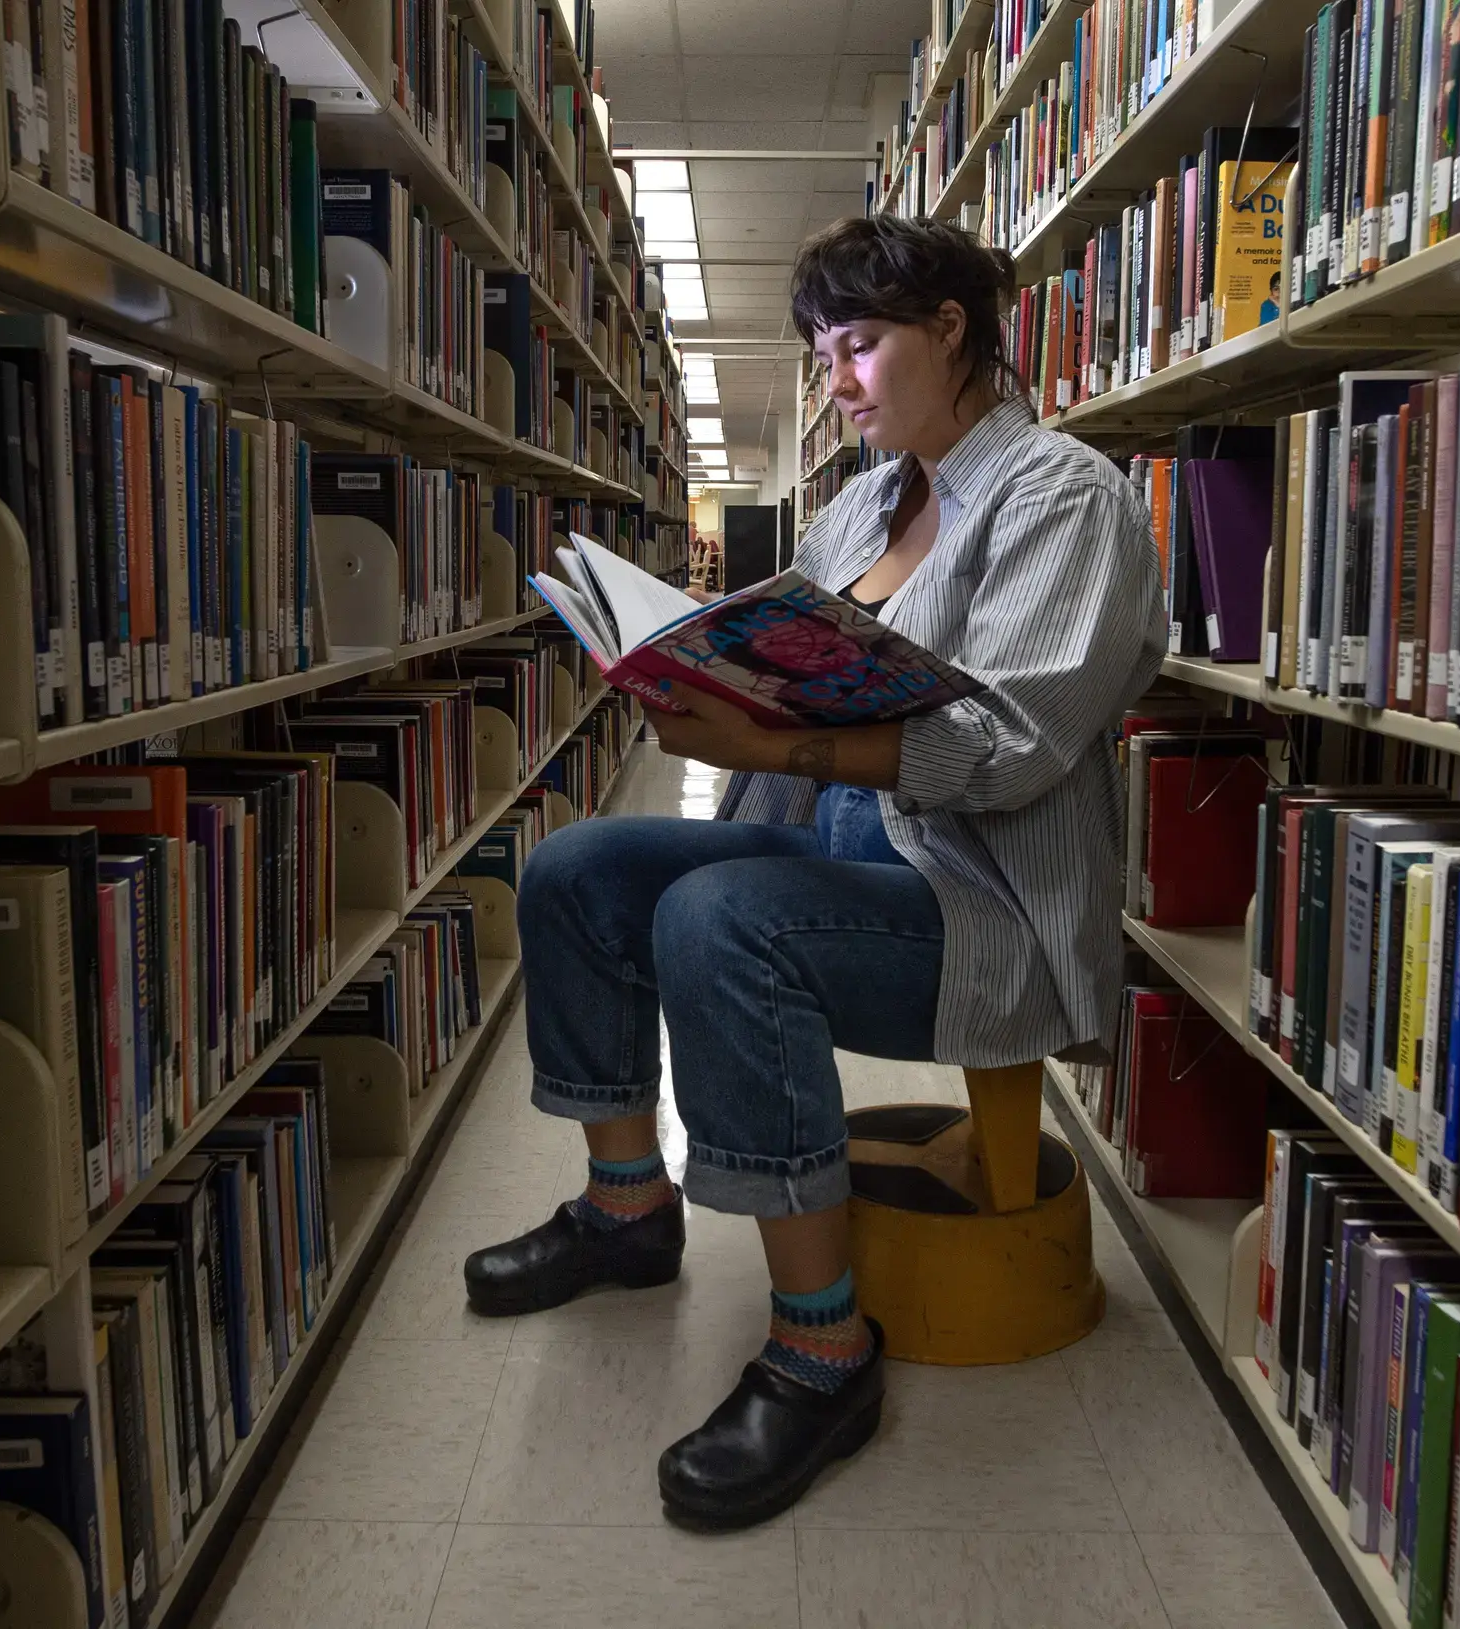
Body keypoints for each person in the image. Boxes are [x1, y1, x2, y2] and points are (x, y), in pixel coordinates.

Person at [460, 214, 1167, 1530]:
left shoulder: (1065, 498)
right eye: (823, 353)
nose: (838, 380)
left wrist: (792, 735)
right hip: (839, 849)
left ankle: (822, 1352)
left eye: (859, 346)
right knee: (579, 869)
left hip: (978, 908)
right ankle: (627, 1207)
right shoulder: (863, 502)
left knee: (727, 916)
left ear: (951, 331)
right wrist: (689, 669)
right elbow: (781, 650)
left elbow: (1007, 746)